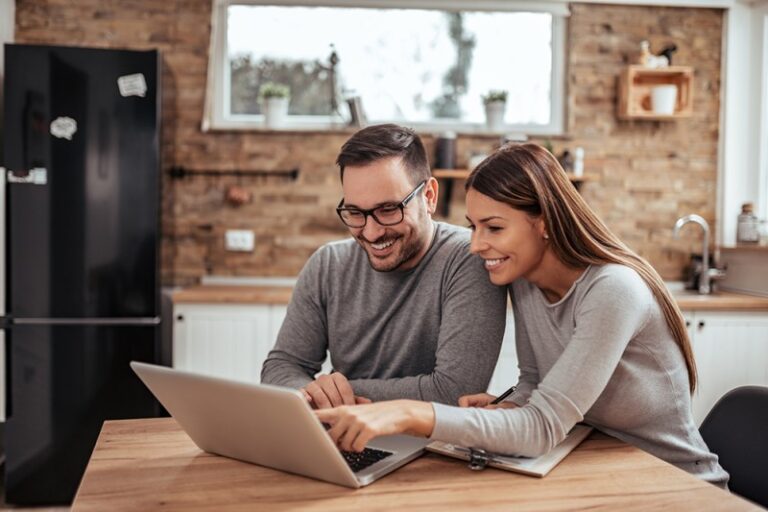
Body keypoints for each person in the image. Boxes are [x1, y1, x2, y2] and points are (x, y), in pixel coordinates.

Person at [315, 143, 729, 488]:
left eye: (493, 228)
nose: (476, 246)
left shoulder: (612, 290)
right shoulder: (525, 281)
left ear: (544, 223)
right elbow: (535, 383)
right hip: (597, 470)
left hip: (677, 486)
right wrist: (508, 402)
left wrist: (408, 412)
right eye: (473, 227)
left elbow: (543, 426)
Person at [261, 124, 507, 408]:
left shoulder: (469, 258)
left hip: (429, 444)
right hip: (344, 435)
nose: (372, 232)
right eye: (355, 212)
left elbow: (455, 391)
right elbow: (281, 368)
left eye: (388, 210)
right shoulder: (328, 264)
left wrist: (335, 394)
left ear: (429, 196)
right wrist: (316, 392)